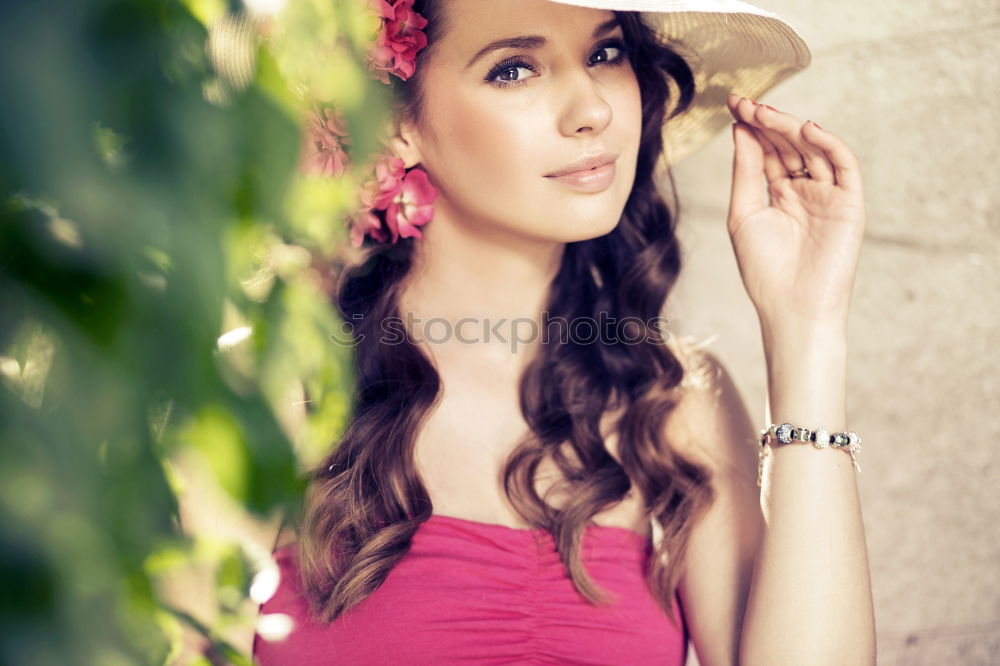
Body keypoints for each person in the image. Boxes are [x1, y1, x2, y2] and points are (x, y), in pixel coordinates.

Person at [254, 0, 876, 663]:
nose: (594, 111)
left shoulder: (673, 405)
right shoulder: (266, 393)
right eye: (515, 69)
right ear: (392, 120)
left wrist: (807, 330)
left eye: (606, 54)